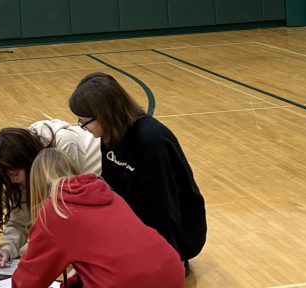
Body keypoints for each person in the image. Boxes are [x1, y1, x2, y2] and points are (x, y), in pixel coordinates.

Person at [68, 72, 206, 273]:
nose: (83, 128)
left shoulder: (151, 141)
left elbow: (164, 207)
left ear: (105, 114)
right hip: (140, 225)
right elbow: (112, 194)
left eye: (85, 122)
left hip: (177, 234)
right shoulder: (110, 135)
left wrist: (166, 261)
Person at [10, 149, 185, 288]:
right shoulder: (107, 192)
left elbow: (30, 280)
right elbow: (113, 251)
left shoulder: (55, 209)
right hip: (171, 270)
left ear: (37, 184)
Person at [0, 119, 101, 267]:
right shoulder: (21, 165)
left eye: (14, 174)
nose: (12, 181)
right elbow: (20, 221)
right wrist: (7, 249)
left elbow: (69, 214)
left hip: (105, 185)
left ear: (27, 162)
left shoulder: (63, 146)